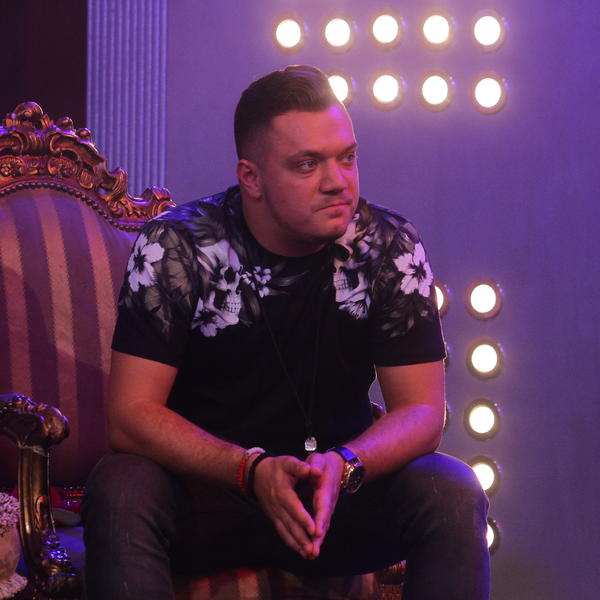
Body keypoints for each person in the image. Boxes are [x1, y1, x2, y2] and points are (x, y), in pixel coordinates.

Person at [83, 65, 490, 599]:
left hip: (333, 496)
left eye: (347, 157)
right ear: (251, 178)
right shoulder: (178, 247)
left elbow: (422, 413)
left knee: (452, 490)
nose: (337, 181)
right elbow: (130, 417)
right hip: (208, 497)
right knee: (120, 485)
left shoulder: (388, 247)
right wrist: (249, 471)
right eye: (307, 164)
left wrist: (345, 465)